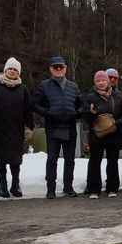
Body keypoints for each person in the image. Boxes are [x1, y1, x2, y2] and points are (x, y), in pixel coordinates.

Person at [0, 57, 34, 198]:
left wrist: (29, 127)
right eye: (10, 68)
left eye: (15, 69)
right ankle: (3, 186)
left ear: (18, 72)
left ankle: (15, 185)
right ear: (5, 70)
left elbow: (28, 109)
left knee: (15, 160)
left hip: (16, 129)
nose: (12, 71)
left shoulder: (23, 89)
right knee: (0, 159)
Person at [34, 56, 81, 198]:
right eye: (56, 67)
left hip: (70, 127)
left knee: (70, 160)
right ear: (51, 69)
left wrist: (77, 113)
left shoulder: (73, 86)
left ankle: (68, 187)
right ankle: (51, 189)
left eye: (61, 67)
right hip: (53, 127)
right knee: (52, 159)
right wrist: (47, 113)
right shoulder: (44, 86)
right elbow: (35, 104)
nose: (59, 70)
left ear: (66, 68)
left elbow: (81, 104)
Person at [81, 70, 122, 199]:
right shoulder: (91, 97)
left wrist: (119, 122)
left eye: (103, 80)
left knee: (113, 161)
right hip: (97, 134)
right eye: (98, 81)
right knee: (94, 161)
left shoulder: (118, 96)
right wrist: (91, 113)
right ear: (95, 83)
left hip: (114, 133)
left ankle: (112, 188)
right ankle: (93, 189)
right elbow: (84, 116)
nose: (101, 83)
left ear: (107, 81)